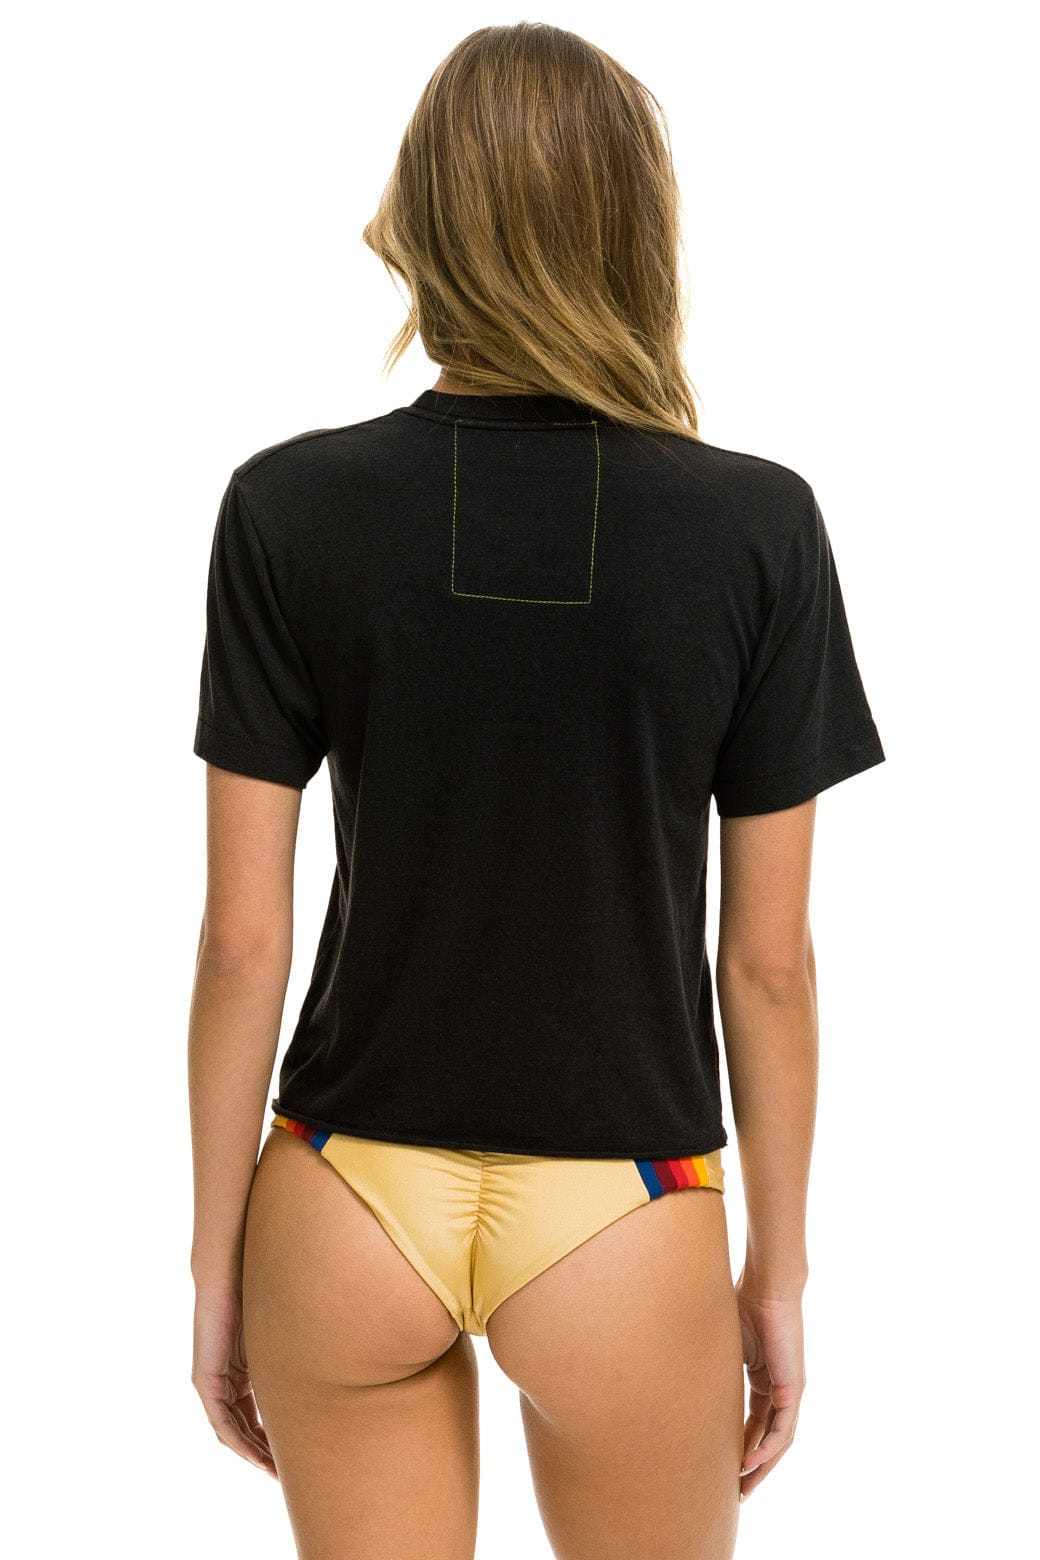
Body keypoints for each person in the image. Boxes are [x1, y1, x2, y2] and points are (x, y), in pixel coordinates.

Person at [187, 21, 885, 1560]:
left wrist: (216, 1263)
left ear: (424, 215)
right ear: (636, 223)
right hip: (628, 1202)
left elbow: (242, 944)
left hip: (340, 1186)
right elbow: (769, 963)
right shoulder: (757, 530)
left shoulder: (287, 508)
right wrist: (775, 1272)